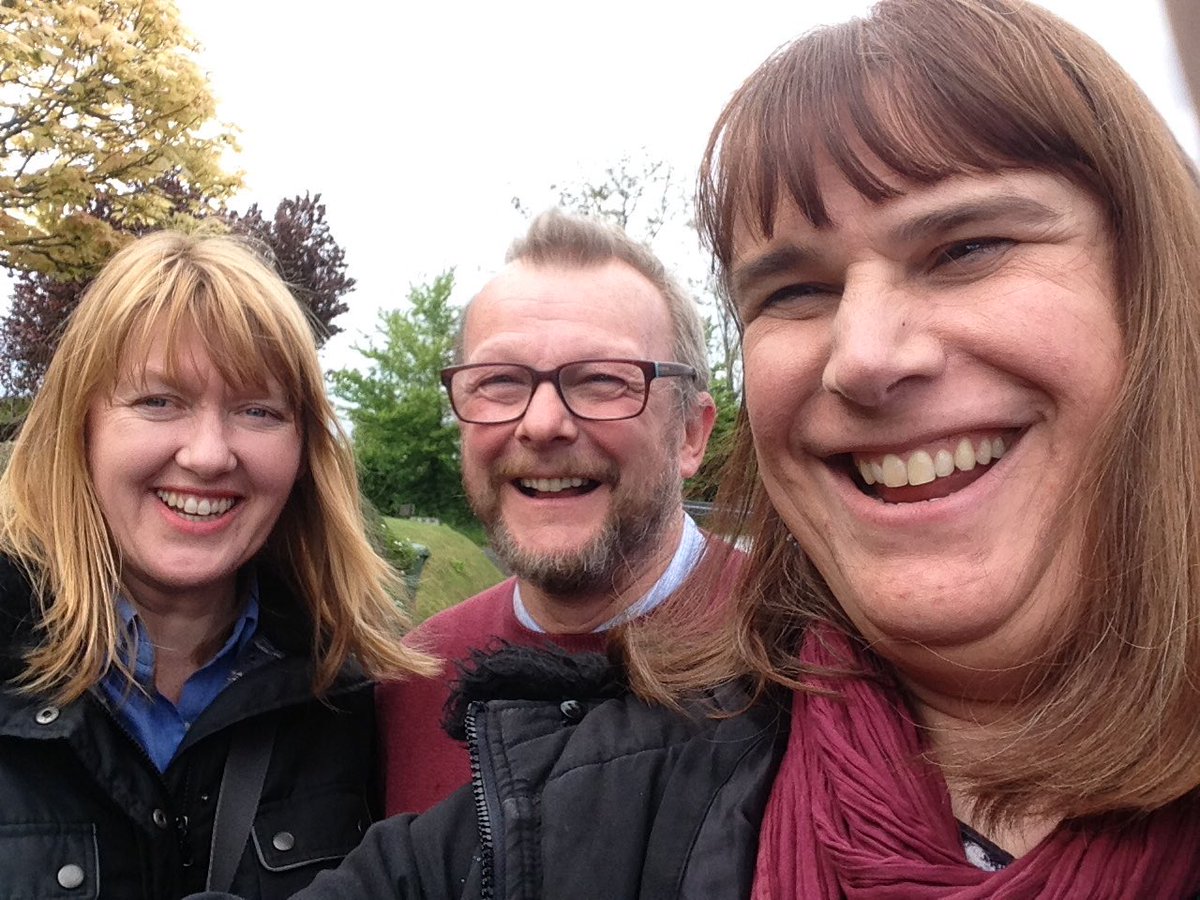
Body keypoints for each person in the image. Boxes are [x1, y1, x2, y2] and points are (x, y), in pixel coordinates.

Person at [191, 0, 1200, 896]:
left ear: (694, 433)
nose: (866, 355)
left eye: (967, 248)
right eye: (797, 289)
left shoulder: (734, 684)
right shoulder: (421, 691)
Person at [0, 230, 435, 899]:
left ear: (304, 452)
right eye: (158, 401)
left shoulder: (353, 699)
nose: (208, 455)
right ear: (79, 427)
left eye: (257, 410)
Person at [376, 209, 718, 814]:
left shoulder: (805, 663)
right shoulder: (415, 681)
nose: (541, 424)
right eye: (499, 382)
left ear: (691, 432)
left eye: (602, 380)